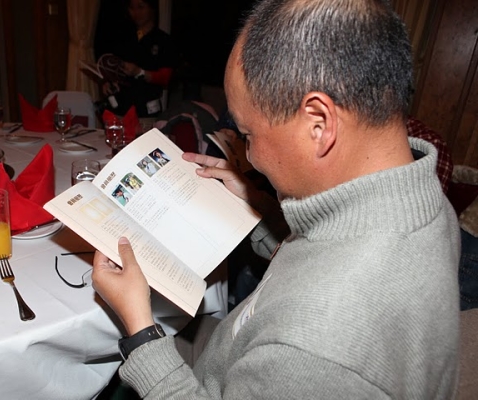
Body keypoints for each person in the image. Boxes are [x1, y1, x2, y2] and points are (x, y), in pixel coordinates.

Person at [91, 0, 461, 398]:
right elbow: (316, 258)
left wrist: (141, 332)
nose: (248, 157)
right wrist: (258, 211)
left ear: (319, 124)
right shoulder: (419, 197)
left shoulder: (318, 347)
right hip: (236, 346)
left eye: (248, 135)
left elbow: (308, 338)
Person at [100, 0, 179, 119]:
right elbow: (113, 67)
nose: (136, 12)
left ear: (152, 9)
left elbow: (166, 78)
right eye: (132, 8)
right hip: (119, 108)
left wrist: (140, 72)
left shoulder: (163, 40)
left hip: (146, 110)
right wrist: (107, 82)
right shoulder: (123, 37)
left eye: (141, 7)